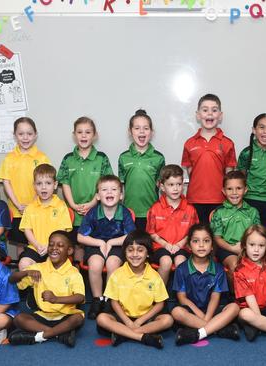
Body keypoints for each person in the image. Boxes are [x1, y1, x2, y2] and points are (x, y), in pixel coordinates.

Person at [96, 230, 174, 349]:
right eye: (130, 250)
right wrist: (127, 321)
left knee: (167, 320)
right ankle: (142, 337)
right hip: (123, 317)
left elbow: (159, 304)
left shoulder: (154, 276)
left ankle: (124, 334)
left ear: (147, 253)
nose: (135, 254)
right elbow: (114, 302)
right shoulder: (117, 274)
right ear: (125, 253)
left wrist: (138, 322)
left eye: (140, 250)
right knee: (102, 319)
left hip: (146, 318)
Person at [8, 231, 85, 348]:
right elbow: (11, 280)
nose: (54, 248)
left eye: (60, 245)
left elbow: (80, 298)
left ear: (69, 251)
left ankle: (38, 337)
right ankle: (58, 334)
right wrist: (26, 272)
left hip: (65, 315)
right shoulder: (38, 268)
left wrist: (56, 299)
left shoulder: (74, 272)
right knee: (19, 319)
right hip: (42, 315)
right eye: (51, 244)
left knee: (78, 319)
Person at [171, 224, 241, 345]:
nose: (201, 245)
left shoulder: (218, 269)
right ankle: (219, 329)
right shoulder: (181, 269)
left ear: (212, 246)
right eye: (196, 241)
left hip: (212, 311)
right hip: (192, 312)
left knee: (234, 308)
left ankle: (200, 333)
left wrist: (207, 317)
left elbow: (215, 297)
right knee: (176, 312)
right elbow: (182, 298)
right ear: (189, 245)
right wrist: (201, 316)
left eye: (206, 241)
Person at [78, 175, 136, 319]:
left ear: (121, 195)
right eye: (104, 190)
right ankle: (97, 299)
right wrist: (100, 243)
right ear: (98, 196)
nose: (109, 192)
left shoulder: (125, 212)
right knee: (96, 264)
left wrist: (110, 243)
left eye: (114, 189)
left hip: (118, 245)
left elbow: (131, 236)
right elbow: (80, 237)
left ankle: (109, 298)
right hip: (96, 244)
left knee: (112, 263)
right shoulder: (92, 213)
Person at [57, 116, 113, 260]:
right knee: (76, 246)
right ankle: (78, 278)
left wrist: (92, 203)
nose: (83, 135)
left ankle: (89, 278)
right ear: (74, 135)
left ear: (94, 135)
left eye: (88, 132)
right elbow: (65, 183)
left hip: (95, 211)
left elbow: (106, 185)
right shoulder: (68, 159)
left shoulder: (102, 158)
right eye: (80, 132)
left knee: (93, 248)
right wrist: (74, 205)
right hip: (74, 213)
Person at [0, 117, 50, 256]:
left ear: (35, 135)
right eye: (21, 134)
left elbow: (45, 183)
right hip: (17, 211)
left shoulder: (42, 158)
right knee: (21, 244)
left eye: (29, 133)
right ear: (15, 136)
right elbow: (6, 182)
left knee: (39, 241)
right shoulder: (9, 158)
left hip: (38, 208)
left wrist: (32, 204)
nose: (25, 137)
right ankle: (23, 273)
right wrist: (18, 205)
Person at [181, 93, 237, 224]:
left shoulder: (228, 143)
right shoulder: (189, 143)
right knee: (197, 238)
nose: (210, 114)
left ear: (220, 115)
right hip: (194, 200)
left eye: (214, 110)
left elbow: (229, 175)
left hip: (220, 200)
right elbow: (190, 171)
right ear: (198, 115)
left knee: (217, 239)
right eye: (205, 110)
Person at [146, 164, 199, 284]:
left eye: (179, 184)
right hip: (160, 247)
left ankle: (181, 294)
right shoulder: (155, 208)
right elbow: (151, 233)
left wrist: (179, 244)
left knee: (181, 261)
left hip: (182, 247)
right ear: (162, 186)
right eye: (171, 185)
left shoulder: (190, 209)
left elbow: (193, 233)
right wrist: (165, 244)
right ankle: (159, 294)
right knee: (166, 261)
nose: (175, 188)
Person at [18, 164, 73, 271]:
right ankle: (34, 288)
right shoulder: (30, 208)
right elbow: (27, 230)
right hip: (35, 248)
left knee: (53, 268)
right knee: (24, 264)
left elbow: (62, 231)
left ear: (55, 185)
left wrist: (49, 246)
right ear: (34, 186)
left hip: (55, 248)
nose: (43, 187)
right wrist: (37, 245)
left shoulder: (61, 206)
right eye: (39, 183)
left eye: (48, 183)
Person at [118, 109, 165, 231]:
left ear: (151, 132)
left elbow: (162, 186)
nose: (142, 132)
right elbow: (120, 187)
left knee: (148, 247)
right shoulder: (123, 157)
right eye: (137, 128)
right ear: (130, 131)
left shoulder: (158, 157)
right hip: (129, 211)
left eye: (146, 128)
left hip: (152, 211)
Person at [211, 170, 260, 272]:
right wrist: (233, 248)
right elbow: (217, 238)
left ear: (245, 190)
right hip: (227, 249)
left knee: (260, 267)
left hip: (249, 249)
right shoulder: (219, 212)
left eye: (238, 188)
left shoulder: (253, 211)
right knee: (235, 266)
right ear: (224, 191)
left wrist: (247, 248)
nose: (234, 193)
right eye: (229, 189)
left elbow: (257, 236)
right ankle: (234, 288)